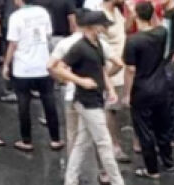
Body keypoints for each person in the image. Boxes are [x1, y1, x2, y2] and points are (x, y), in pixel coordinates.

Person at [52, 10, 123, 185]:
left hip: (94, 99)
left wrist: (110, 89)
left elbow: (101, 70)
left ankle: (70, 179)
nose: (106, 28)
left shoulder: (97, 44)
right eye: (104, 25)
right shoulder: (80, 47)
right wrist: (80, 81)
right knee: (104, 143)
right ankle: (117, 181)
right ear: (94, 27)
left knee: (82, 143)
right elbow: (58, 67)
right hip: (87, 102)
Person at [2, 0, 62, 151]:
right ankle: (55, 139)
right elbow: (48, 36)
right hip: (43, 65)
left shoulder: (16, 17)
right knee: (49, 101)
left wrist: (6, 64)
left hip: (23, 68)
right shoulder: (43, 13)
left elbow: (13, 44)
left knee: (23, 103)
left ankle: (26, 140)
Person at [122, 0, 173, 178]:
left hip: (141, 89)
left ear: (136, 15)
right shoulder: (162, 32)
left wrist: (127, 94)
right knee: (163, 126)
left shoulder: (133, 41)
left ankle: (152, 169)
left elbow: (130, 70)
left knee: (144, 130)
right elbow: (157, 23)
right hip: (161, 86)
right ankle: (168, 161)